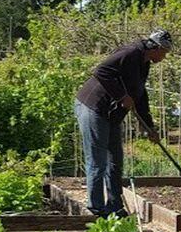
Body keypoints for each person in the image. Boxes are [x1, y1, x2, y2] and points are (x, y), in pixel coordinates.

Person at [74, 29, 173, 217]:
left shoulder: (144, 63)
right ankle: (96, 210)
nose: (165, 56)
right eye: (164, 52)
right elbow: (101, 72)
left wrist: (149, 127)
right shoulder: (130, 53)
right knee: (98, 161)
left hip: (111, 114)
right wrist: (121, 96)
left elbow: (140, 96)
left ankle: (114, 206)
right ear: (156, 48)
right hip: (93, 107)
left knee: (115, 161)